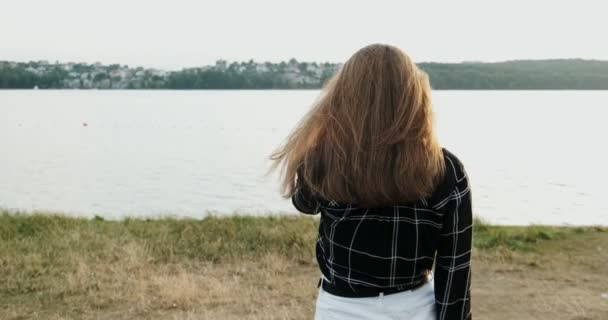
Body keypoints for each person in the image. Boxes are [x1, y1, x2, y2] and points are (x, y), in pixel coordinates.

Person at [270, 44, 472, 320]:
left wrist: (319, 132)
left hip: (339, 308)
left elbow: (304, 204)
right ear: (413, 95)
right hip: (414, 309)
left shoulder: (326, 157)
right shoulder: (445, 168)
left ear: (345, 94)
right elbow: (454, 269)